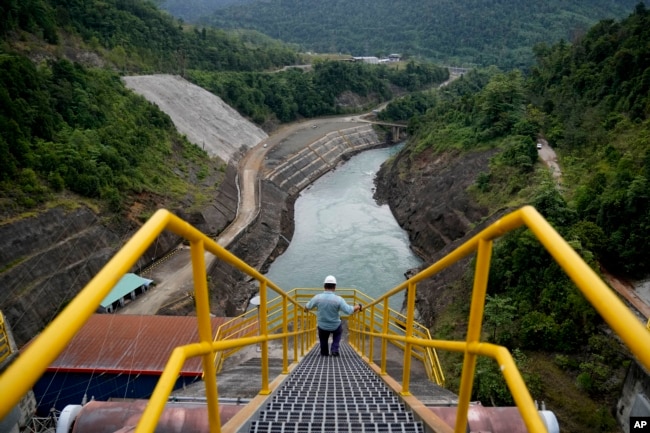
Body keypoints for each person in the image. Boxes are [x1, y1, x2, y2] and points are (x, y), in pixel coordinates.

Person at [304, 275, 362, 356]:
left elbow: (307, 307)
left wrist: (306, 310)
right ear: (334, 287)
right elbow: (349, 310)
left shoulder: (317, 298)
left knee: (323, 338)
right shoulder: (338, 299)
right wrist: (358, 306)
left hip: (322, 326)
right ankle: (334, 350)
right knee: (338, 332)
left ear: (324, 286)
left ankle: (324, 352)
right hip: (335, 325)